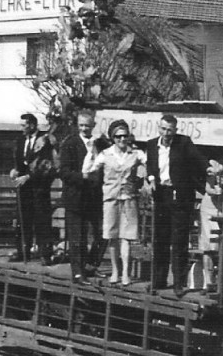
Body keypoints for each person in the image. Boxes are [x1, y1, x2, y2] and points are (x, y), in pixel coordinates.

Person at [145, 114, 207, 297]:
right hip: (161, 195)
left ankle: (178, 283)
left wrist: (208, 168)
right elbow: (150, 166)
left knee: (179, 240)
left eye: (170, 130)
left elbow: (198, 160)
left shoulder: (183, 143)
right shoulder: (151, 144)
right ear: (158, 128)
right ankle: (158, 280)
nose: (166, 133)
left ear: (175, 130)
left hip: (179, 195)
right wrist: (150, 179)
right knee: (160, 239)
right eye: (163, 129)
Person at [84, 120, 147, 286]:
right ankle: (115, 271)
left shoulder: (136, 153)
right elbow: (89, 170)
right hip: (110, 199)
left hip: (128, 199)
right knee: (112, 236)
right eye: (118, 136)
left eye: (125, 136)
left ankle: (125, 273)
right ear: (113, 137)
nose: (122, 139)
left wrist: (145, 176)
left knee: (126, 237)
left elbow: (150, 165)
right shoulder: (105, 154)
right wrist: (90, 153)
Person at [58, 110, 106, 283]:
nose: (85, 128)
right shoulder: (70, 144)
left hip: (94, 196)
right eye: (81, 125)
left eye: (88, 125)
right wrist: (82, 177)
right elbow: (63, 172)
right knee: (77, 236)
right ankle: (78, 272)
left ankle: (91, 264)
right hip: (76, 196)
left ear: (93, 125)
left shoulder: (100, 144)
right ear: (77, 126)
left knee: (103, 232)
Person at [8, 113, 56, 265]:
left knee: (42, 220)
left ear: (32, 125)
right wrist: (14, 171)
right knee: (23, 219)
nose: (21, 128)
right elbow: (19, 163)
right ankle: (23, 251)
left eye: (24, 125)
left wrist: (29, 177)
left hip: (39, 186)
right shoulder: (20, 141)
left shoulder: (44, 140)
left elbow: (46, 165)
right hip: (23, 188)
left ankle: (45, 254)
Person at [194, 159, 223, 293]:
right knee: (209, 247)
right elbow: (208, 188)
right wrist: (215, 190)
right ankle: (208, 283)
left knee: (221, 246)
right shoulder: (215, 165)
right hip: (210, 208)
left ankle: (219, 282)